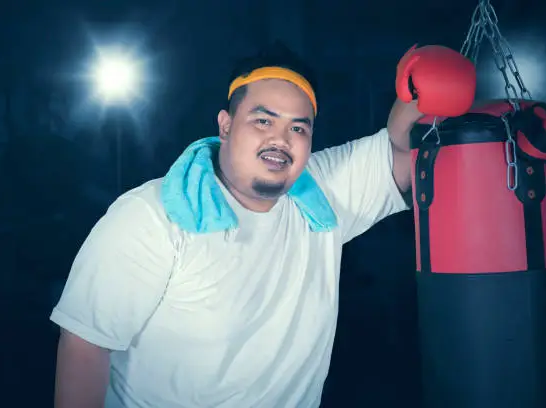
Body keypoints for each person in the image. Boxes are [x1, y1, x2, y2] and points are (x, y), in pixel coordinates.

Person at [51, 42, 475, 408]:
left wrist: (420, 87)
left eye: (298, 127)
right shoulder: (151, 216)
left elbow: (404, 149)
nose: (281, 139)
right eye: (263, 120)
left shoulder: (321, 193)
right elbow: (85, 345)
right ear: (226, 124)